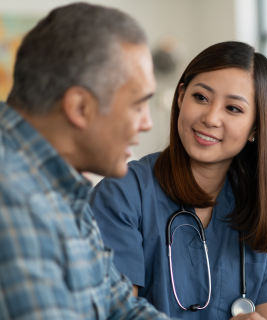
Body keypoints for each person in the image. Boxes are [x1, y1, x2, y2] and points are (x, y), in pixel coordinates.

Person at [90, 41, 267, 320]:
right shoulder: (122, 193)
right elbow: (115, 314)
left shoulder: (261, 206)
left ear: (256, 127)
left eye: (233, 109)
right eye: (201, 98)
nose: (211, 118)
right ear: (181, 97)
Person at [0, 3, 183, 320]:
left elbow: (121, 307)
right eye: (138, 105)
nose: (147, 123)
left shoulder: (63, 190)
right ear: (81, 107)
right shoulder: (13, 198)